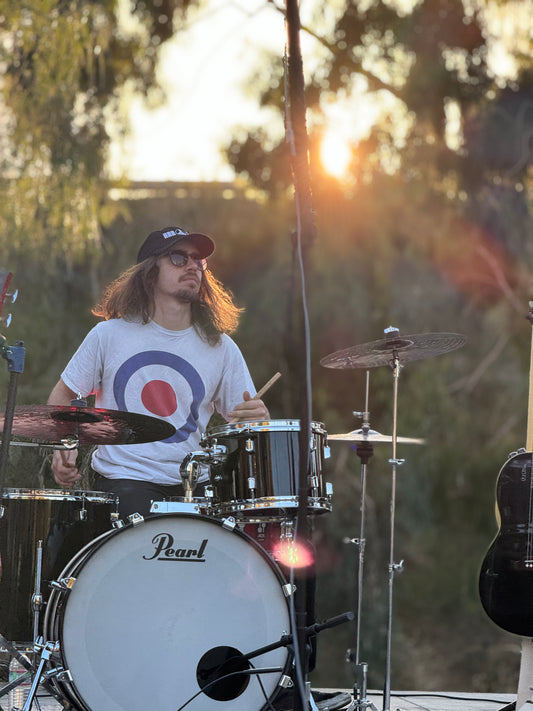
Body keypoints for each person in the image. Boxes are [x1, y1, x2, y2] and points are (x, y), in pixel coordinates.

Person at [48, 225, 269, 518]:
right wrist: (65, 445)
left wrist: (259, 421)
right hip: (124, 480)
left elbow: (244, 427)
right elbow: (63, 395)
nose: (192, 266)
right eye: (179, 258)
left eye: (198, 261)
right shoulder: (109, 336)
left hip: (194, 485)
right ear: (150, 272)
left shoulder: (221, 347)